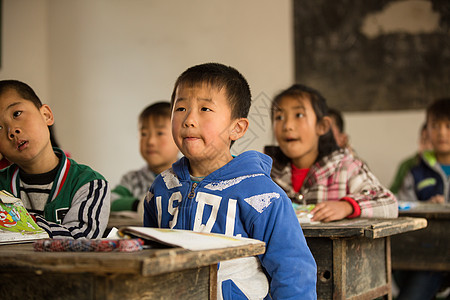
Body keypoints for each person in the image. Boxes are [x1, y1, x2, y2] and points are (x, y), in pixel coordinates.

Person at [143, 63, 317, 299]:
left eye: (205, 109)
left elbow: (293, 272)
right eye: (181, 108)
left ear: (237, 128)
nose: (189, 120)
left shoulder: (262, 195)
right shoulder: (162, 188)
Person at [264, 84, 398, 222]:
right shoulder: (267, 172)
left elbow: (389, 203)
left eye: (299, 115)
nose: (287, 126)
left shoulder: (346, 167)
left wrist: (347, 206)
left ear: (322, 126)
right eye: (279, 117)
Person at [0, 80, 110, 239]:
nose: (12, 131)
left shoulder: (89, 183)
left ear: (46, 115)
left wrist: (21, 222)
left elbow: (81, 238)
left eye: (17, 114)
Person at [394, 98, 450, 300]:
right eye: (435, 126)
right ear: (426, 131)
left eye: (448, 126)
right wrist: (425, 207)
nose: (442, 133)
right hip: (427, 257)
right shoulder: (416, 172)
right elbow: (401, 207)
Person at [110, 102, 179, 212]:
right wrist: (138, 205)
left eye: (160, 133)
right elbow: (110, 200)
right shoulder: (132, 179)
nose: (150, 141)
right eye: (144, 134)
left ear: (180, 137)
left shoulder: (189, 177)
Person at [390, 123, 432, 194]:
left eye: (431, 142)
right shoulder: (407, 165)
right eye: (424, 140)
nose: (428, 146)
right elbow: (393, 192)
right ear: (419, 141)